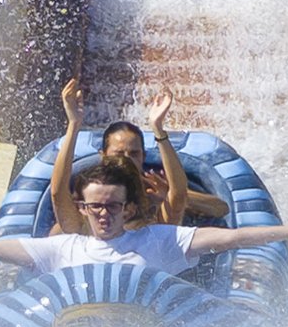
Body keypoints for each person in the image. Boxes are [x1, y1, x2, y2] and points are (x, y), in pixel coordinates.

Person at [0, 161, 288, 275]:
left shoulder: (163, 241)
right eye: (94, 206)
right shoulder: (62, 250)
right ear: (83, 210)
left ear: (127, 208)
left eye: (111, 205)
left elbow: (234, 238)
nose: (103, 214)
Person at [49, 77, 231, 236]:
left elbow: (185, 198)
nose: (126, 159)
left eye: (133, 153)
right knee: (59, 231)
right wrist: (73, 124)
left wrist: (158, 129)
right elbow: (58, 194)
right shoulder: (88, 194)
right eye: (119, 153)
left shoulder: (152, 196)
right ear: (103, 156)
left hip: (144, 258)